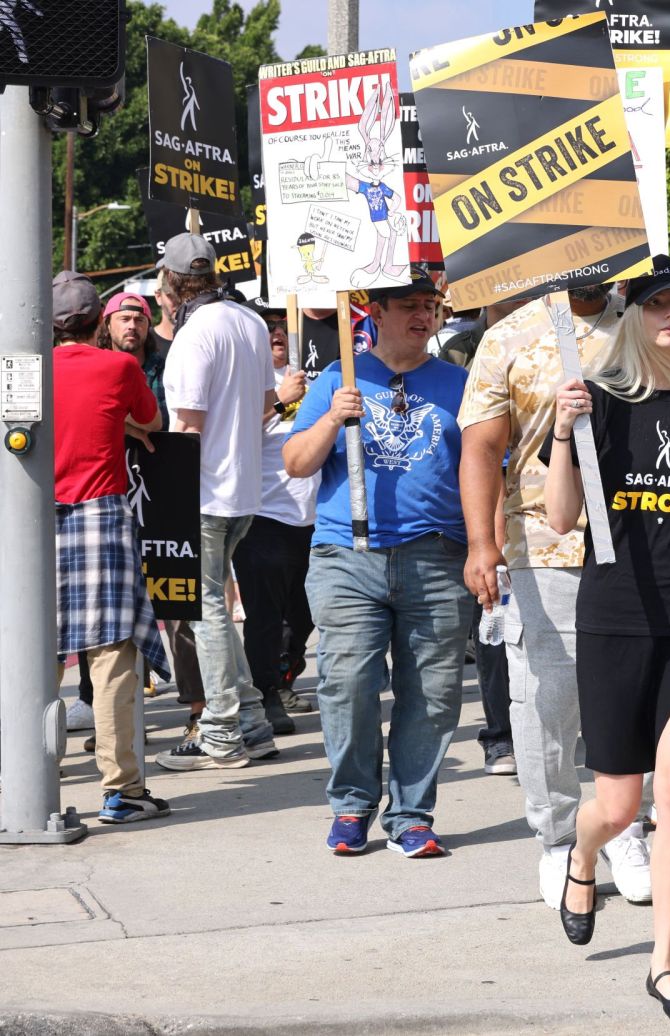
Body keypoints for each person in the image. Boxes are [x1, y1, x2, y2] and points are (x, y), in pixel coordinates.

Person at [542, 258, 670, 1029]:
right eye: (658, 304)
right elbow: (563, 521)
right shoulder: (595, 401)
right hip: (614, 615)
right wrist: (563, 433)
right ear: (633, 316)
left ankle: (664, 964)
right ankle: (583, 854)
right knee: (618, 802)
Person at [459, 285, 653, 908]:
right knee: (549, 698)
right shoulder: (508, 336)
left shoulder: (647, 321)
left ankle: (625, 827)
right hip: (545, 542)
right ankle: (560, 838)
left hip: (639, 536)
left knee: (632, 694)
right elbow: (483, 449)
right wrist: (482, 544)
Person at [283, 272, 471, 858]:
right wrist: (331, 417)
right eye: (411, 305)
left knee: (435, 694)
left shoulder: (460, 384)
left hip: (437, 556)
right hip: (348, 554)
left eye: (431, 306)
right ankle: (351, 805)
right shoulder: (340, 376)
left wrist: (488, 549)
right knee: (348, 684)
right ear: (376, 314)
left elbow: (488, 466)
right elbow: (295, 462)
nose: (424, 314)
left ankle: (412, 814)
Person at [152, 233, 281, 771]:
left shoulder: (193, 334)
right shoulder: (248, 320)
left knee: (206, 610)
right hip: (242, 489)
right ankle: (250, 719)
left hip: (205, 490)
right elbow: (270, 405)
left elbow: (187, 428)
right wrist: (236, 445)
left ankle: (222, 732)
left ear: (170, 285)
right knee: (218, 610)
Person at [50, 271, 171, 824]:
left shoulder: (27, 370)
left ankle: (23, 778)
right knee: (111, 660)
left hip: (34, 523)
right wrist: (121, 423)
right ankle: (121, 789)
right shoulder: (119, 366)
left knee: (32, 660)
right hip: (99, 513)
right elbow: (152, 419)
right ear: (100, 321)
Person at [234, 301, 313, 737]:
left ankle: (283, 676)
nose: (278, 335)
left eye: (283, 329)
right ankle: (266, 695)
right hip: (264, 514)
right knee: (265, 617)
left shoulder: (311, 382)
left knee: (303, 615)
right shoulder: (248, 384)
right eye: (268, 331)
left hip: (314, 518)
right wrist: (281, 403)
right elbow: (231, 432)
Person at [98, 292, 168, 429]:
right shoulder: (94, 368)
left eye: (139, 320)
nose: (132, 326)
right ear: (108, 325)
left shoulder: (166, 370)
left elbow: (168, 422)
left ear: (148, 326)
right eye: (124, 319)